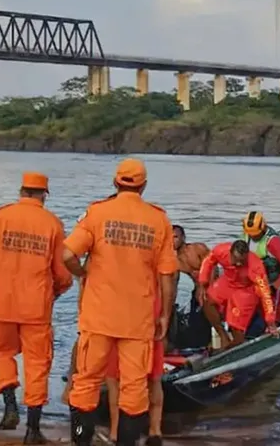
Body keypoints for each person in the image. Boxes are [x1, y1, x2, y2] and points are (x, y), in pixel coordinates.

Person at [62, 158, 177, 446]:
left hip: (98, 316)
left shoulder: (97, 213)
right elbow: (167, 273)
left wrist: (84, 273)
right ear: (144, 186)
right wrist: (163, 315)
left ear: (115, 182)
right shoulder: (158, 219)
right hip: (137, 321)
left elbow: (66, 256)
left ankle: (80, 441)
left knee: (86, 382)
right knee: (134, 388)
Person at [0, 172, 72, 444]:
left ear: (21, 190)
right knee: (37, 365)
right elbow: (63, 274)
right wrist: (55, 293)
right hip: (37, 308)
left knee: (2, 353)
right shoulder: (53, 224)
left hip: (2, 303)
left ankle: (9, 405)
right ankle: (32, 430)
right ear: (44, 194)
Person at [104, 280, 165, 445]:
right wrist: (165, 314)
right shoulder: (156, 258)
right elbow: (167, 280)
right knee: (153, 377)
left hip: (117, 315)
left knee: (114, 380)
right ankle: (154, 431)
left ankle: (116, 432)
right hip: (148, 310)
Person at [197, 240, 280, 350]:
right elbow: (208, 261)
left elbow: (265, 294)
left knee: (236, 328)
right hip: (228, 281)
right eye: (236, 260)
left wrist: (270, 322)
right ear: (230, 253)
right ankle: (223, 335)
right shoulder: (221, 250)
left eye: (242, 261)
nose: (238, 264)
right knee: (207, 300)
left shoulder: (255, 267)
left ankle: (230, 348)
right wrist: (203, 283)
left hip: (246, 289)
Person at [241, 211, 280, 317]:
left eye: (255, 235)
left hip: (273, 280)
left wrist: (276, 286)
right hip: (256, 280)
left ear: (263, 227)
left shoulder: (273, 242)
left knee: (273, 314)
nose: (253, 237)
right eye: (251, 235)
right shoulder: (246, 235)